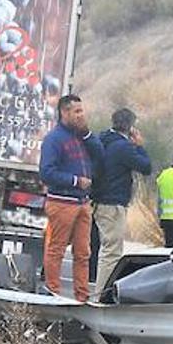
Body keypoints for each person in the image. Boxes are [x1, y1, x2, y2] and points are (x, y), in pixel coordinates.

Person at [37, 94, 103, 302]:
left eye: (81, 111)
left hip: (83, 203)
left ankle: (81, 297)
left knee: (84, 252)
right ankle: (53, 293)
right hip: (62, 202)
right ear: (64, 112)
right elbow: (46, 172)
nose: (81, 115)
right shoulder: (54, 139)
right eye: (76, 111)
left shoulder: (81, 137)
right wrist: (75, 181)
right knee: (56, 249)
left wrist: (88, 134)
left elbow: (100, 154)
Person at [94, 108, 152, 291]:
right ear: (130, 127)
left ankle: (97, 288)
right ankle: (101, 293)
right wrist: (140, 146)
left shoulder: (100, 140)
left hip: (97, 200)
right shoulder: (123, 147)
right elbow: (146, 167)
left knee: (102, 248)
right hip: (113, 203)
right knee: (111, 252)